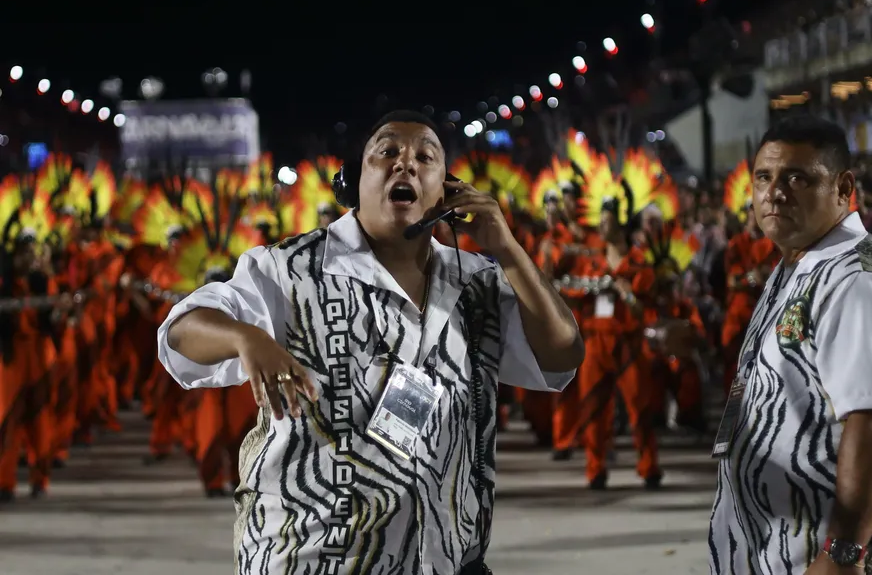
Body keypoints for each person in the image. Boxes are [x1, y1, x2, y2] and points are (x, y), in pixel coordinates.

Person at [157, 110, 583, 575]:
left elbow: (562, 355)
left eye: (426, 156)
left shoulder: (479, 279)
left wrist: (507, 250)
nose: (407, 164)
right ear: (353, 180)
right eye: (387, 152)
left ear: (448, 189)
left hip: (448, 561)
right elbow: (181, 331)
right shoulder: (287, 269)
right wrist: (245, 335)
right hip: (312, 561)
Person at [708, 115, 872, 575]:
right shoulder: (797, 265)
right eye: (764, 177)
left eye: (798, 177)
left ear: (842, 187)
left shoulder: (857, 282)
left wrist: (843, 554)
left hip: (821, 559)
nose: (775, 191)